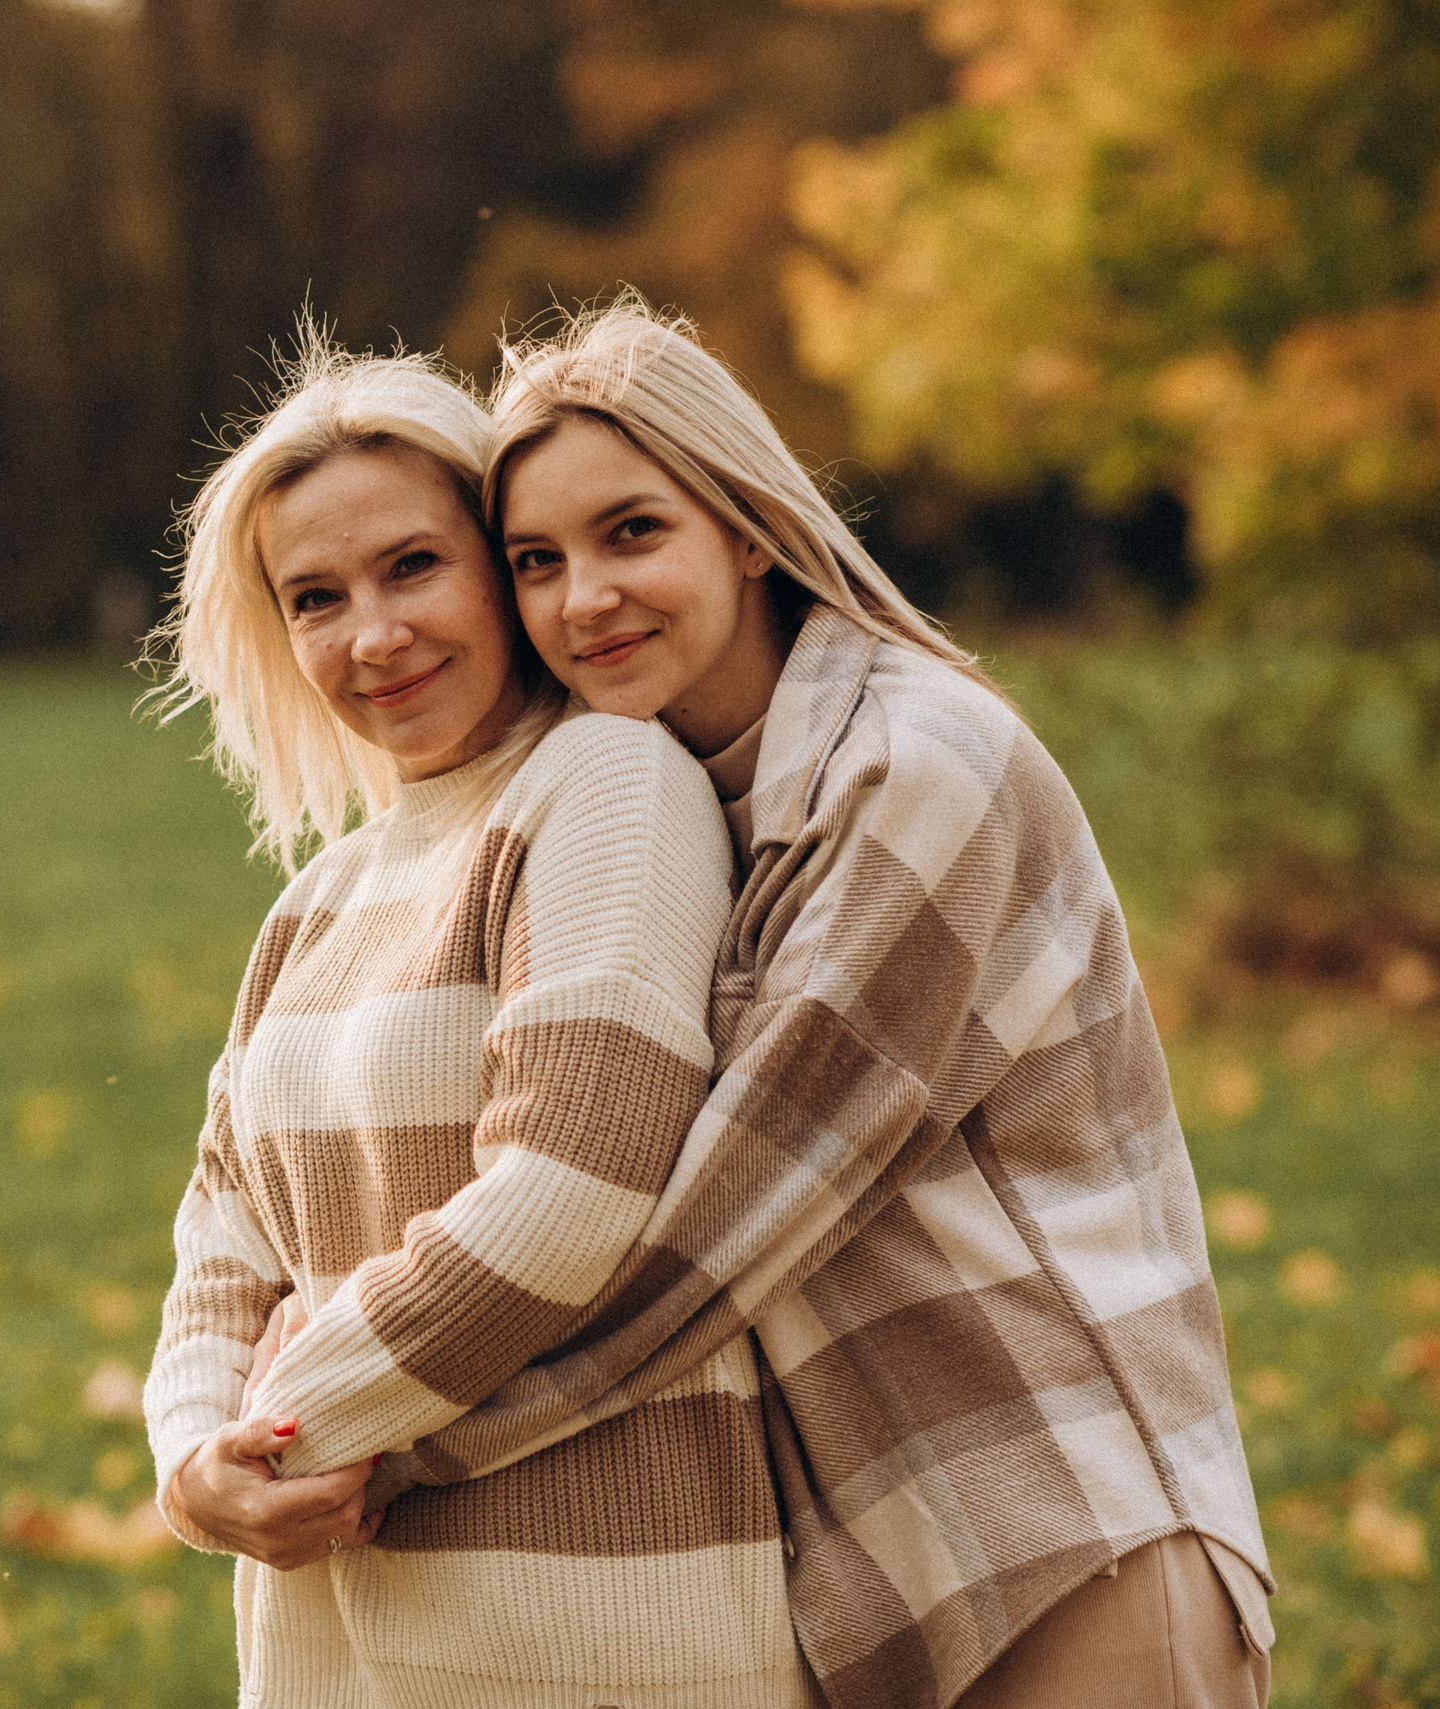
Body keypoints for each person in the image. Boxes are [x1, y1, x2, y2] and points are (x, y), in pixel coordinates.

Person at [351, 300, 1276, 1709]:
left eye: (632, 532)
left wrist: (377, 1441)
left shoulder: (915, 765)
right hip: (863, 1580)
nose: (584, 596)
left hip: (1063, 1537)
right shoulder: (653, 799)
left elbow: (723, 1215)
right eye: (537, 560)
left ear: (747, 523)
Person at [140, 336, 813, 1707]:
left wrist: (288, 1432)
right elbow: (222, 1230)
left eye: (413, 567)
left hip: (598, 1629)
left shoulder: (605, 786)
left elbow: (570, 1183)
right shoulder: (320, 898)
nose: (373, 636)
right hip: (341, 1637)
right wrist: (197, 1469)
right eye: (316, 597)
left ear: (502, 569)